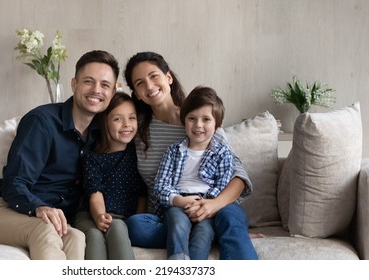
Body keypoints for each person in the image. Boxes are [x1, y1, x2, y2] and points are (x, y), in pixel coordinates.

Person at [0, 50, 119, 260]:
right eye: (88, 81)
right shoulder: (42, 122)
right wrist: (39, 207)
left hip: (51, 221)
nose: (96, 90)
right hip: (2, 213)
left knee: (76, 237)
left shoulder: (102, 133)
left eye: (105, 85)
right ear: (74, 84)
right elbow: (15, 182)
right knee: (46, 231)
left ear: (113, 92)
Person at [123, 51, 258, 260]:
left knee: (230, 218)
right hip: (171, 212)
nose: (149, 86)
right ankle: (212, 233)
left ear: (168, 77)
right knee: (134, 227)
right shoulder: (137, 129)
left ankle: (221, 231)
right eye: (139, 83)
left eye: (153, 76)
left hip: (214, 207)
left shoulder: (202, 120)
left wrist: (213, 205)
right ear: (137, 93)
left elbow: (237, 175)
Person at [155, 86, 238, 260]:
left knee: (204, 233)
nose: (198, 125)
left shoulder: (222, 153)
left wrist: (203, 204)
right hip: (177, 202)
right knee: (177, 223)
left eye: (206, 119)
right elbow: (161, 186)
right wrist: (179, 200)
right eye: (192, 118)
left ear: (217, 125)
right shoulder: (173, 151)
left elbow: (222, 185)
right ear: (184, 121)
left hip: (206, 206)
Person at [74, 92, 147, 260]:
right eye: (117, 119)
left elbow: (142, 193)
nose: (127, 125)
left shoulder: (137, 154)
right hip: (89, 215)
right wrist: (100, 215)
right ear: (104, 123)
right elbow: (95, 192)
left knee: (118, 226)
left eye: (132, 118)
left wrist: (138, 220)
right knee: (94, 235)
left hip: (122, 219)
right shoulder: (93, 158)